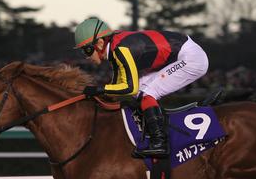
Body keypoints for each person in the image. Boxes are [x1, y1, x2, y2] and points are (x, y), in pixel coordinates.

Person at [74, 17, 209, 158]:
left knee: (146, 93)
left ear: (100, 43)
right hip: (181, 52)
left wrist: (98, 90)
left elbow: (128, 88)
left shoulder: (120, 49)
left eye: (86, 50)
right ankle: (150, 128)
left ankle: (160, 143)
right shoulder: (115, 48)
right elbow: (116, 85)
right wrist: (95, 95)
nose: (86, 56)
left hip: (191, 58)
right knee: (140, 90)